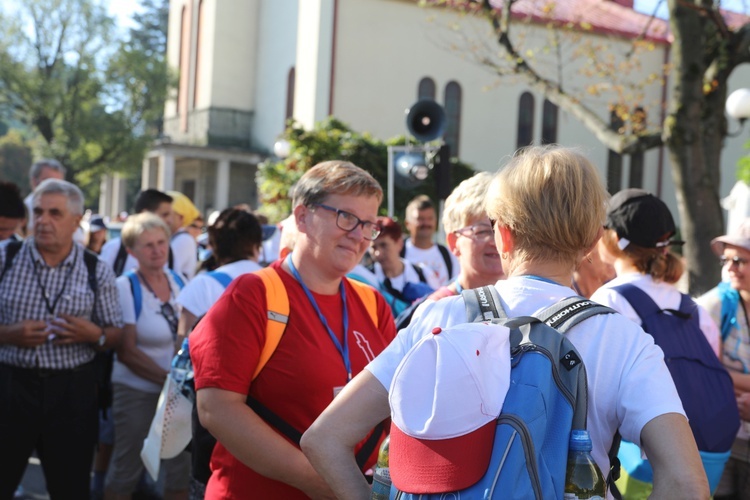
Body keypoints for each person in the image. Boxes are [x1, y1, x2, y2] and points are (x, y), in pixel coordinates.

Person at [300, 145, 708, 500]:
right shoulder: (624, 341)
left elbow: (324, 438)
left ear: (504, 236)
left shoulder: (440, 315)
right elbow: (687, 485)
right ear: (589, 245)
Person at [189, 160, 397, 498]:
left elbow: (395, 402)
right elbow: (217, 408)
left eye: (370, 225)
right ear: (302, 216)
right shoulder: (252, 294)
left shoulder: (373, 304)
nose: (360, 235)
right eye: (347, 218)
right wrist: (331, 483)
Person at [591, 188, 732, 496]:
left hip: (641, 461)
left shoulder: (609, 300)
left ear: (613, 239)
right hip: (705, 460)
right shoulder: (692, 307)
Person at [0, 178, 123, 499]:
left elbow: (115, 334)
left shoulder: (97, 270)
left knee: (70, 487)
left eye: (54, 213)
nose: (43, 221)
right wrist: (7, 334)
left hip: (72, 393)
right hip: (11, 386)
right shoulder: (5, 258)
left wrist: (93, 335)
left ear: (76, 220)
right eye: (38, 212)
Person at [105, 212, 190, 500]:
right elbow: (127, 352)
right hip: (136, 390)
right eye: (148, 245)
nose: (157, 250)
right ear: (131, 252)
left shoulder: (178, 280)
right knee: (128, 464)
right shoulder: (125, 286)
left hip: (176, 392)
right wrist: (170, 379)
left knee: (181, 466)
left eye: (161, 242)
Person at [697, 219, 750, 499]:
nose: (730, 268)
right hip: (722, 441)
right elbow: (702, 374)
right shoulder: (714, 305)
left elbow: (717, 375)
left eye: (740, 260)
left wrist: (727, 376)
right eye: (726, 259)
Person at [176, 208, 263, 339]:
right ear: (256, 245)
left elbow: (182, 343)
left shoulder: (203, 285)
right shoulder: (279, 283)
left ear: (213, 245)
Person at [425, 171, 503, 301]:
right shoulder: (438, 310)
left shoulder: (531, 306)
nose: (496, 241)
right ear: (454, 242)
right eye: (482, 231)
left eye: (503, 231)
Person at [370, 216, 440, 315]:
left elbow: (439, 310)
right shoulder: (367, 279)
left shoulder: (424, 274)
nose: (378, 253)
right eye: (373, 247)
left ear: (399, 243)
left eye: (384, 245)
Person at [100, 189, 174, 276]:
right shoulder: (115, 249)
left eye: (160, 243)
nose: (170, 221)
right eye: (164, 215)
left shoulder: (168, 251)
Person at [401, 194, 459, 286]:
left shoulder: (448, 255)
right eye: (420, 219)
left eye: (430, 218)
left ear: (435, 222)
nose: (426, 223)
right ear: (407, 224)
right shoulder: (399, 253)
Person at [23, 159, 66, 234]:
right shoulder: (24, 210)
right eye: (49, 182)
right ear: (34, 181)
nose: (54, 188)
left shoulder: (68, 208)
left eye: (59, 183)